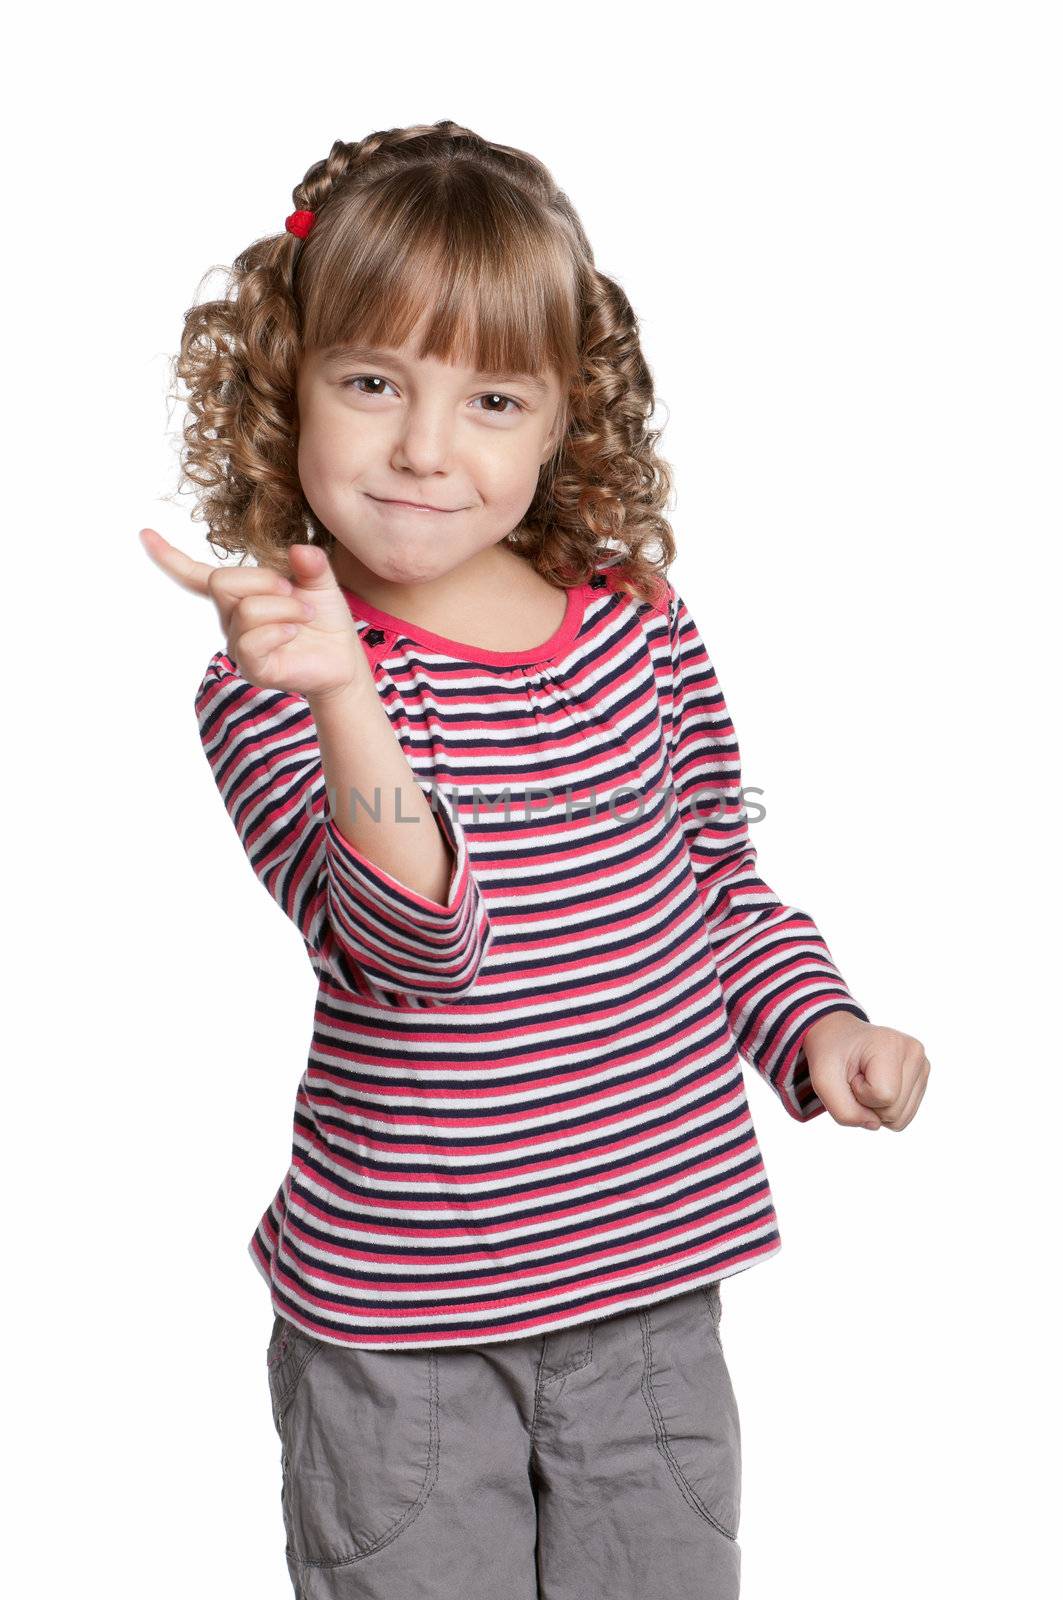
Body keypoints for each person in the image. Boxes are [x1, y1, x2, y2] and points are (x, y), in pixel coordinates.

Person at [142, 120, 930, 1600]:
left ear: (566, 414)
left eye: (491, 396)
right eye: (372, 382)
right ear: (283, 382)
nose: (427, 447)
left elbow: (711, 881)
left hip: (649, 1309)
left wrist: (821, 1025)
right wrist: (344, 698)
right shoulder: (277, 677)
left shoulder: (635, 623)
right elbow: (415, 945)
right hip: (408, 1350)